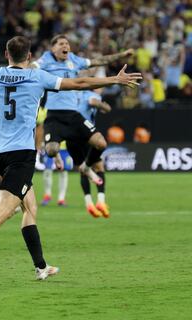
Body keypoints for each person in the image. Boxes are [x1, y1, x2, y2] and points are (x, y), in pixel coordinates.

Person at [0, 35, 141, 279]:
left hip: (0, 152)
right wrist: (115, 79)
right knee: (7, 207)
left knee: (30, 206)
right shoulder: (37, 77)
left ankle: (41, 267)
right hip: (22, 152)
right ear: (29, 57)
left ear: (6, 54)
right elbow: (80, 83)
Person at [31, 34, 134, 185]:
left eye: (67, 44)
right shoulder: (46, 59)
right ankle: (57, 155)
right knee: (52, 150)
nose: (65, 46)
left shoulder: (74, 59)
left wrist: (122, 55)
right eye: (61, 44)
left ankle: (86, 166)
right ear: (53, 49)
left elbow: (99, 61)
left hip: (73, 115)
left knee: (101, 143)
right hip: (54, 115)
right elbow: (32, 67)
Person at [68, 89, 112, 218]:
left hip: (71, 135)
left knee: (83, 170)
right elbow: (104, 108)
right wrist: (100, 104)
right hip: (87, 135)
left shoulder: (69, 93)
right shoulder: (92, 95)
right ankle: (101, 202)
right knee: (99, 167)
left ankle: (89, 203)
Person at [36, 107, 73, 207]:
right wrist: (39, 143)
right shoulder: (44, 110)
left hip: (65, 146)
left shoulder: (67, 110)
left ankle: (61, 198)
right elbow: (40, 128)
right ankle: (47, 195)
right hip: (49, 145)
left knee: (63, 172)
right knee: (47, 170)